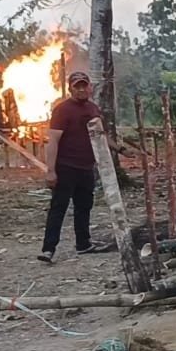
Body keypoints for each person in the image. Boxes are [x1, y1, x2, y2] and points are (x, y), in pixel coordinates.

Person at [38, 71, 133, 264]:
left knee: (84, 207)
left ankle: (83, 243)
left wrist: (121, 149)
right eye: (77, 86)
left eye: (84, 85)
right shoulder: (62, 110)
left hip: (86, 167)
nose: (81, 89)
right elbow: (53, 141)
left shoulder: (93, 108)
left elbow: (101, 135)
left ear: (90, 87)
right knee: (59, 207)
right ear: (70, 88)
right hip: (66, 167)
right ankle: (48, 249)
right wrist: (51, 170)